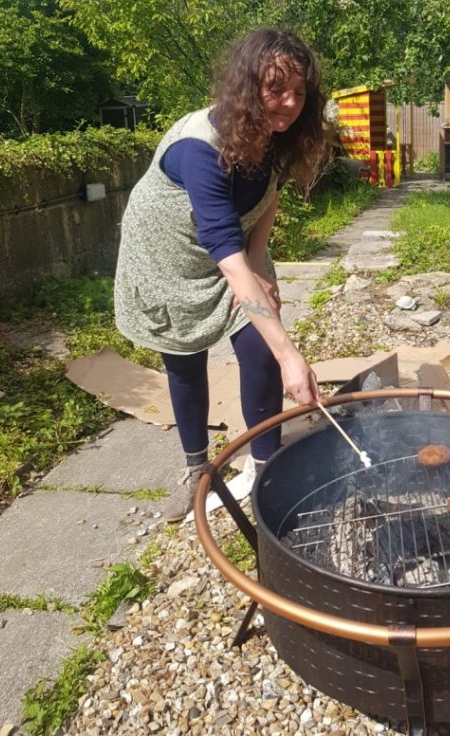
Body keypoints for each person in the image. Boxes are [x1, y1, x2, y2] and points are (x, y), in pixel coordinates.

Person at [114, 28, 327, 522]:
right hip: (168, 256)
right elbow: (221, 246)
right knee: (186, 360)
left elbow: (266, 199)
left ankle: (265, 467)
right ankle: (197, 471)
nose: (290, 103)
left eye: (299, 93)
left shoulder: (278, 136)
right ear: (248, 87)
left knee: (259, 349)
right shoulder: (200, 148)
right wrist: (294, 355)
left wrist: (259, 262)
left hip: (233, 249)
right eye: (276, 89)